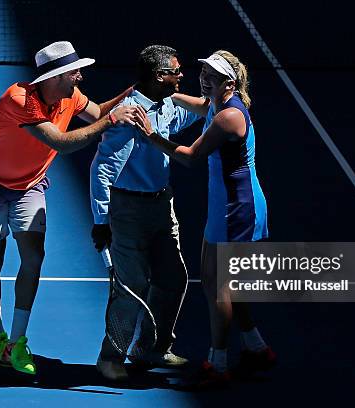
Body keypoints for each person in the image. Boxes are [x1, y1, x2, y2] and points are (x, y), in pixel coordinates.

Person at [0, 41, 138, 375]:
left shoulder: (69, 96)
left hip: (28, 186)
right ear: (54, 77)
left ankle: (17, 343)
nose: (80, 77)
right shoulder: (19, 100)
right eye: (74, 72)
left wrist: (128, 95)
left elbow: (99, 112)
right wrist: (113, 120)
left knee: (33, 257)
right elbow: (62, 142)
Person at [135, 50, 277, 387]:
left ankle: (218, 362)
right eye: (203, 72)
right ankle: (257, 348)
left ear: (228, 82)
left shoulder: (228, 116)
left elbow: (189, 156)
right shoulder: (217, 102)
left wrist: (150, 134)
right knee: (225, 284)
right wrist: (166, 92)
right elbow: (196, 104)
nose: (204, 78)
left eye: (211, 75)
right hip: (224, 206)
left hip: (237, 209)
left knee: (218, 288)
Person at [90, 45, 201, 381]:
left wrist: (226, 94)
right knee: (133, 284)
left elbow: (206, 112)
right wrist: (100, 222)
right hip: (128, 210)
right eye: (176, 71)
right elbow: (103, 169)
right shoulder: (128, 115)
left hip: (162, 205)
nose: (182, 76)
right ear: (158, 76)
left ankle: (151, 348)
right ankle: (111, 357)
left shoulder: (168, 104)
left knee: (173, 277)